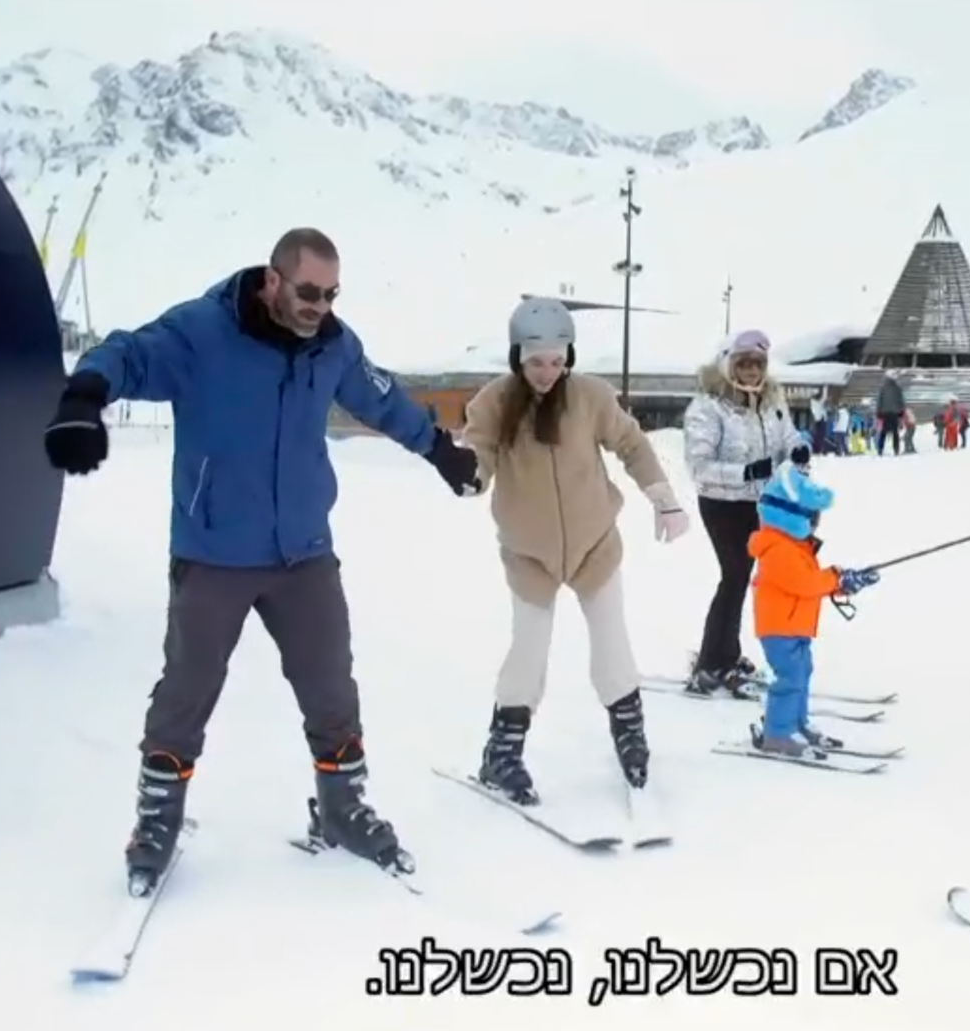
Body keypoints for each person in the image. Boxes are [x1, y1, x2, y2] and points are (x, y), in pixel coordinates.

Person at [42, 227, 482, 894]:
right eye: (308, 291)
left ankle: (341, 808)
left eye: (331, 294)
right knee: (187, 689)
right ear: (273, 280)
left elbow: (382, 397)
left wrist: (438, 449)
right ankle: (157, 819)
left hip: (303, 550)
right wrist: (84, 396)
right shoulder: (202, 332)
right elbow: (126, 353)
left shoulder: (332, 344)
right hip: (215, 549)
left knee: (332, 683)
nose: (319, 306)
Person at [459, 298, 687, 804]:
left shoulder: (590, 397)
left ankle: (630, 735)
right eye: (537, 361)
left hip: (594, 545)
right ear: (519, 356)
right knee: (528, 653)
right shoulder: (494, 403)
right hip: (529, 553)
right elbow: (477, 457)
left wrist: (663, 499)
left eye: (557, 361)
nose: (547, 372)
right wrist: (467, 478)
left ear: (570, 358)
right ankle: (502, 752)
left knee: (612, 644)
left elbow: (632, 444)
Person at [682, 329, 810, 696]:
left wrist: (799, 450)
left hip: (759, 503)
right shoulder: (708, 406)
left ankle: (726, 653)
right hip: (721, 505)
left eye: (758, 364)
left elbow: (787, 438)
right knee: (733, 576)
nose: (752, 371)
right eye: (744, 364)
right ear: (729, 365)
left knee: (741, 577)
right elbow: (698, 466)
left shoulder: (771, 401)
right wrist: (746, 472)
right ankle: (710, 664)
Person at [744, 461, 877, 758]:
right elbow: (804, 583)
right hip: (779, 629)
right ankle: (777, 734)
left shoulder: (793, 547)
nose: (815, 523)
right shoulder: (778, 549)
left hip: (793, 627)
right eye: (812, 517)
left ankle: (796, 724)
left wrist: (846, 582)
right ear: (790, 515)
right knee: (790, 678)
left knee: (801, 674)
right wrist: (836, 577)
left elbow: (813, 584)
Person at [875, 370, 906, 455]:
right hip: (895, 413)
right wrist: (901, 412)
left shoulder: (882, 388)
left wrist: (878, 412)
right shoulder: (897, 388)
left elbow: (879, 401)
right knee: (895, 432)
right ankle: (896, 449)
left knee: (883, 432)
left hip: (884, 413)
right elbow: (901, 401)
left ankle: (880, 449)